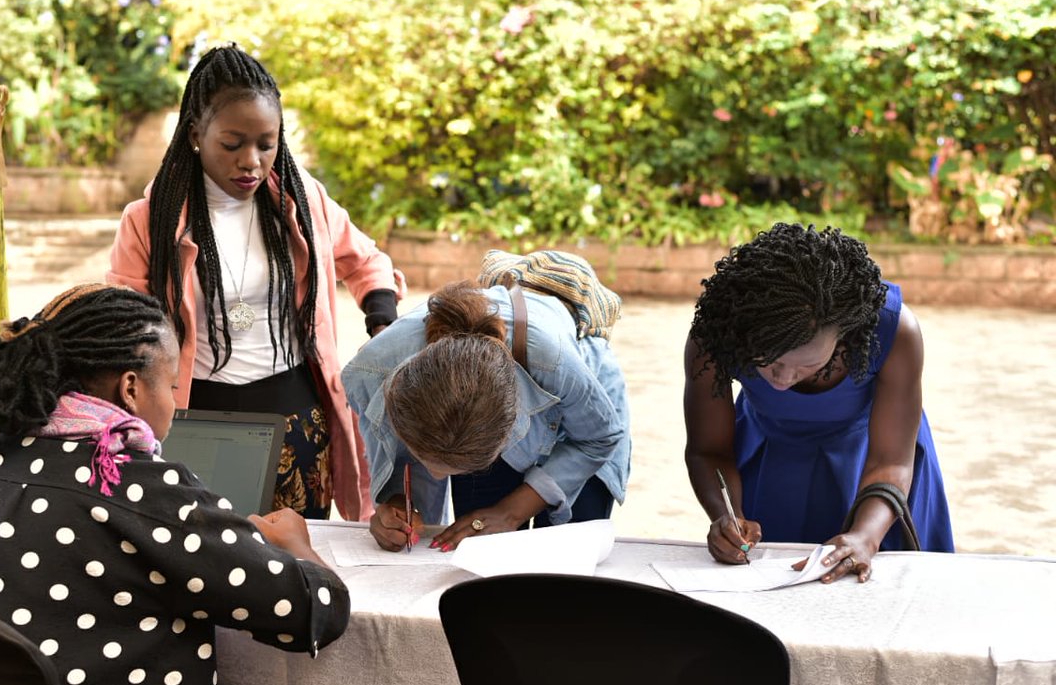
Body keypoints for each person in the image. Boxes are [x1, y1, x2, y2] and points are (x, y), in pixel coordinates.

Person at [0, 284, 350, 685]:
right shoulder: (138, 488)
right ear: (132, 388)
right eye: (174, 386)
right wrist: (296, 545)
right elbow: (312, 611)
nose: (176, 405)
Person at [108, 43, 404, 523]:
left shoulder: (302, 200)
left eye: (266, 143)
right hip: (192, 414)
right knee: (202, 557)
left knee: (297, 558)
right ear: (195, 135)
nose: (251, 160)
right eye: (232, 144)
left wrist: (382, 322)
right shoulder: (149, 220)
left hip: (296, 417)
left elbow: (367, 261)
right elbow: (122, 318)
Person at [683, 223, 954, 584]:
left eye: (807, 366)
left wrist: (864, 537)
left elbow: (891, 462)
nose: (781, 380)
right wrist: (724, 515)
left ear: (844, 333)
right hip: (773, 464)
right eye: (768, 361)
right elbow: (708, 451)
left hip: (875, 473)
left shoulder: (894, 330)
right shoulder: (715, 337)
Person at [343, 280, 630, 552]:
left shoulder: (552, 360)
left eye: (457, 467)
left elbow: (600, 438)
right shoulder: (370, 373)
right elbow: (389, 453)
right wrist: (395, 505)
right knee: (479, 547)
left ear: (510, 428)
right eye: (423, 456)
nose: (437, 476)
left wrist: (510, 513)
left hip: (583, 425)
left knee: (564, 554)